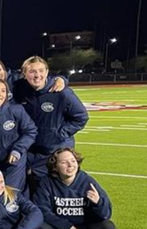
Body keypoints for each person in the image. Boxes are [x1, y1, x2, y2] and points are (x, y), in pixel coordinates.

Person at [11, 56, 89, 186]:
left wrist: (58, 134)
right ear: (24, 74)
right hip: (32, 151)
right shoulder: (20, 91)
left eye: (41, 71)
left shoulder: (61, 92)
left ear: (47, 72)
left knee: (54, 190)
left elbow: (81, 116)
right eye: (32, 71)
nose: (37, 75)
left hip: (55, 151)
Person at [34, 148, 115, 229]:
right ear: (55, 167)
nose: (70, 165)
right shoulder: (47, 183)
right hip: (58, 227)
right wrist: (67, 227)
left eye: (73, 160)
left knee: (108, 228)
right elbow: (42, 210)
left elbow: (106, 214)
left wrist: (98, 202)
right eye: (64, 162)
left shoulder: (87, 181)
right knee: (37, 225)